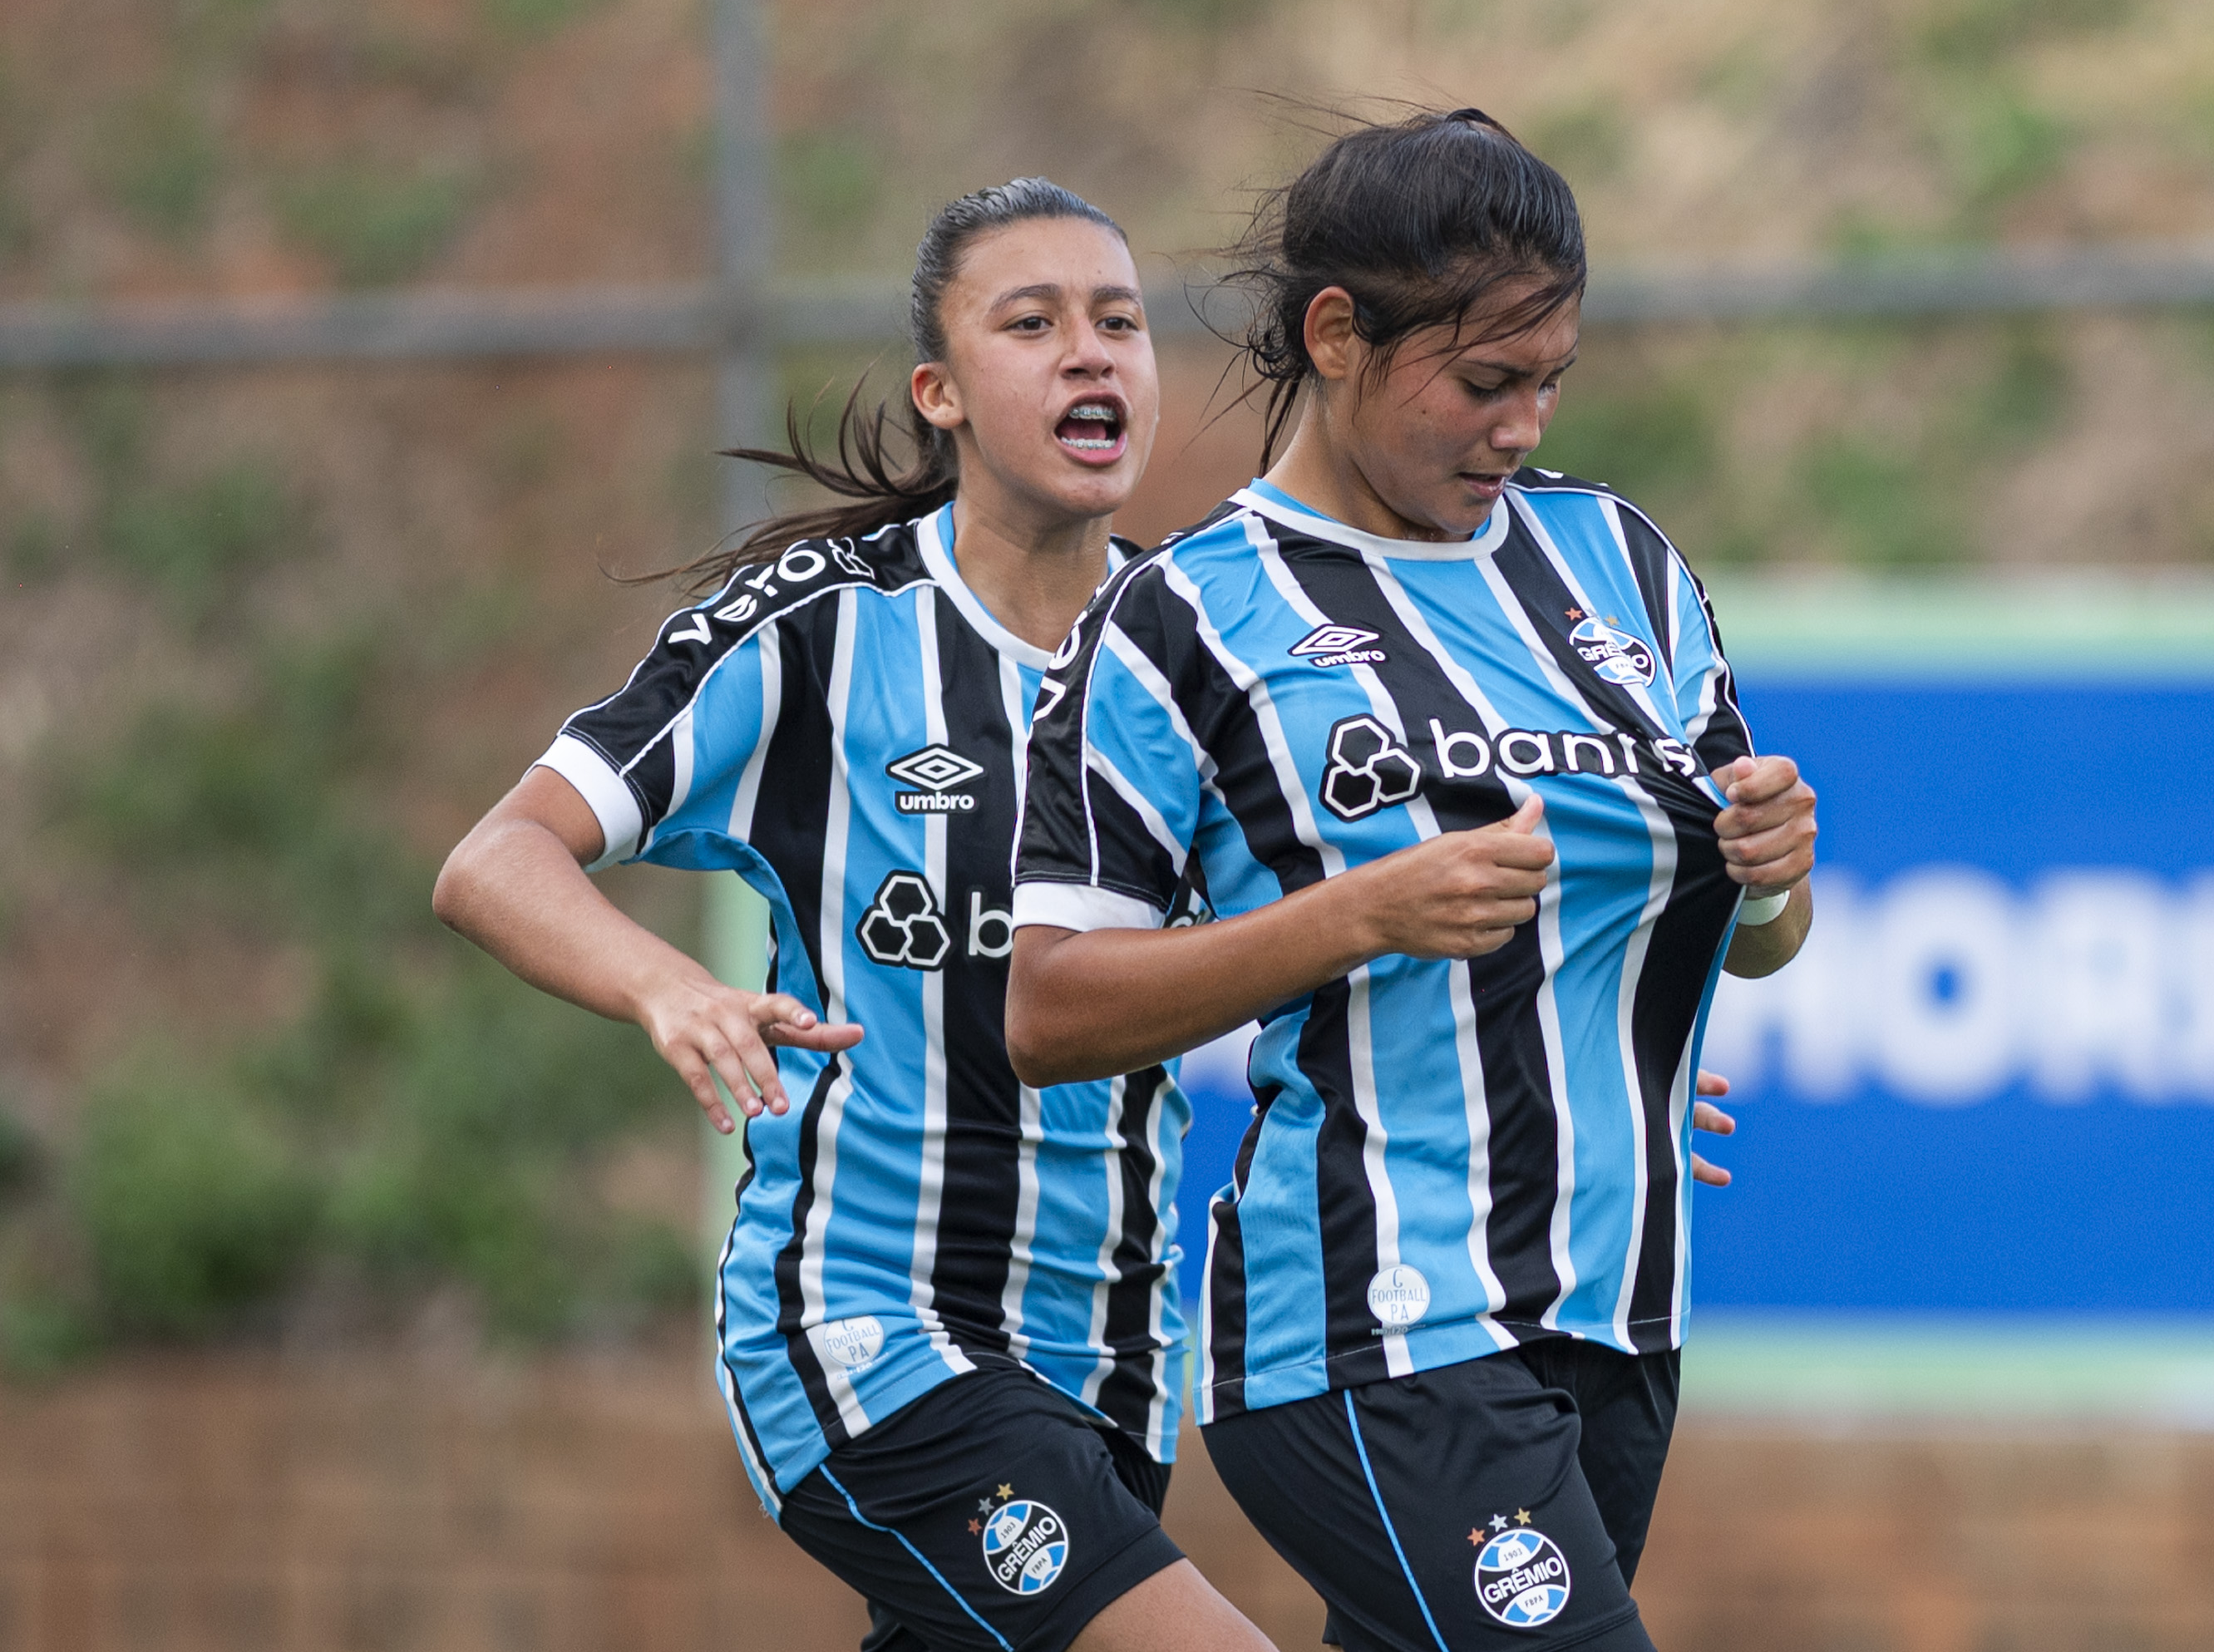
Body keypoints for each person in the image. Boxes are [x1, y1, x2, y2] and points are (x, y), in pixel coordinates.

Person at [1006, 111, 1816, 1652]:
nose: (1522, 425)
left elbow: (1749, 942)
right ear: (1338, 335)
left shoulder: (1620, 565)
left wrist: (1778, 877)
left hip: (1616, 1314)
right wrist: (1354, 916)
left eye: (1550, 380)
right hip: (1374, 1326)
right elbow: (1046, 1008)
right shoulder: (1187, 618)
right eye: (1484, 381)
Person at [434, 179, 1272, 1652]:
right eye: (1034, 323)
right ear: (939, 393)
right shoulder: (821, 628)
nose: (1093, 355)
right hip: (868, 1336)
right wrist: (666, 988)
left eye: (1120, 323)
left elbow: (1334, 930)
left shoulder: (1194, 647)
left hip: (1112, 1368)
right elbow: (497, 860)